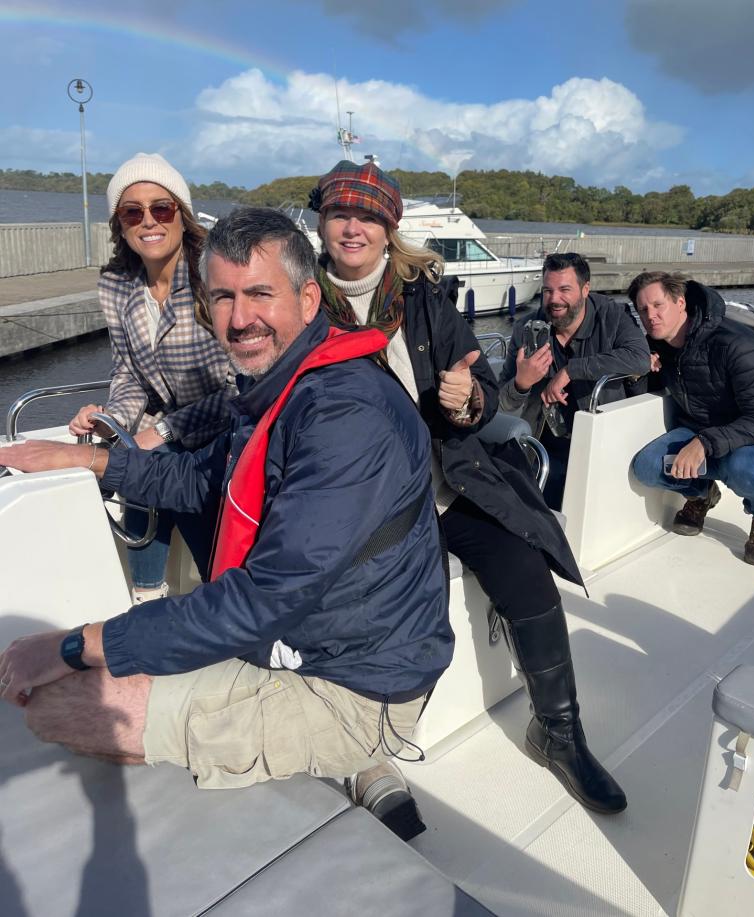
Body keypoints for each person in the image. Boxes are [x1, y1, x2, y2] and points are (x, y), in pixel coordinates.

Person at [0, 209, 452, 842]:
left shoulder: (342, 414)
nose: (241, 320)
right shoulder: (282, 386)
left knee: (62, 705)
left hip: (355, 682)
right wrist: (88, 459)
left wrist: (71, 645)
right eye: (223, 298)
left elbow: (262, 598)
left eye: (260, 294)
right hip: (311, 640)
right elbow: (190, 478)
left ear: (309, 296)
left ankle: (358, 752)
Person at [310, 160, 627, 814]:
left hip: (445, 483)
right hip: (360, 506)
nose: (352, 227)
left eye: (368, 215)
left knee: (523, 561)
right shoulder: (300, 303)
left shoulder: (423, 299)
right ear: (321, 221)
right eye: (340, 212)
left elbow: (480, 388)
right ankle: (367, 751)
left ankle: (560, 731)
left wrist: (468, 402)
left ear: (388, 227)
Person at [69, 153, 235, 601]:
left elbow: (243, 388)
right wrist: (112, 421)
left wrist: (161, 431)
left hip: (224, 431)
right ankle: (146, 597)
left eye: (161, 208)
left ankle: (220, 595)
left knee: (158, 462)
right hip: (162, 436)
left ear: (182, 216)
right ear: (120, 225)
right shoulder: (117, 285)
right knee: (136, 460)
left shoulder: (212, 277)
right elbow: (127, 371)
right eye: (132, 212)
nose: (149, 221)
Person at [629, 271, 754, 566]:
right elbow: (649, 390)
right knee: (646, 467)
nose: (650, 315)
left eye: (658, 305)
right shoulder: (658, 346)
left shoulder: (735, 343)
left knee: (741, 466)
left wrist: (704, 442)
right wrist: (641, 371)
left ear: (680, 303)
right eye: (643, 309)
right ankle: (702, 493)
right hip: (698, 430)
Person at [498, 252, 650, 509]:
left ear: (585, 289)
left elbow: (640, 358)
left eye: (565, 289)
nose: (554, 299)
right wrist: (522, 384)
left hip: (599, 441)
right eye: (547, 291)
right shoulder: (527, 329)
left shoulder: (612, 317)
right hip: (543, 442)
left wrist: (570, 370)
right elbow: (500, 402)